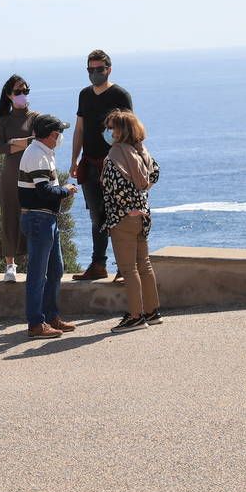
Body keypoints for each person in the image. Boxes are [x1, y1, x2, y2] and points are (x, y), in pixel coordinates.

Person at [70, 49, 133, 282]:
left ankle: (125, 268)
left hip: (115, 166)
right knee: (97, 217)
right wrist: (74, 161)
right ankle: (98, 265)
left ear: (109, 69)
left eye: (99, 69)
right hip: (90, 163)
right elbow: (79, 129)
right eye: (91, 70)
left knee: (119, 216)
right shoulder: (84, 95)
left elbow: (130, 131)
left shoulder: (120, 95)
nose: (95, 73)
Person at [18, 114, 79, 339]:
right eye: (59, 133)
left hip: (48, 219)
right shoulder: (36, 155)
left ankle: (51, 316)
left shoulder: (44, 153)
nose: (61, 137)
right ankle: (36, 323)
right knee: (37, 273)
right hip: (38, 219)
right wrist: (66, 190)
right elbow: (44, 191)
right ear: (52, 135)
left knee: (55, 270)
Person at [101, 110, 162, 333]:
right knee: (144, 264)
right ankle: (152, 311)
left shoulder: (115, 156)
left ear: (120, 131)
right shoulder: (142, 152)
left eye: (111, 128)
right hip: (143, 217)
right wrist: (141, 201)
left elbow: (115, 187)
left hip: (123, 219)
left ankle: (136, 316)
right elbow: (154, 175)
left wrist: (129, 208)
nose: (107, 132)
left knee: (128, 268)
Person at [0, 74, 39, 283]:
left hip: (32, 175)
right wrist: (23, 142)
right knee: (10, 217)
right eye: (18, 91)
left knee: (33, 217)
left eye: (25, 91)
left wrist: (16, 142)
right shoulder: (4, 120)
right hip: (10, 176)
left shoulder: (36, 118)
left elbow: (41, 141)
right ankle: (10, 265)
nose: (22, 95)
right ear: (9, 95)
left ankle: (35, 263)